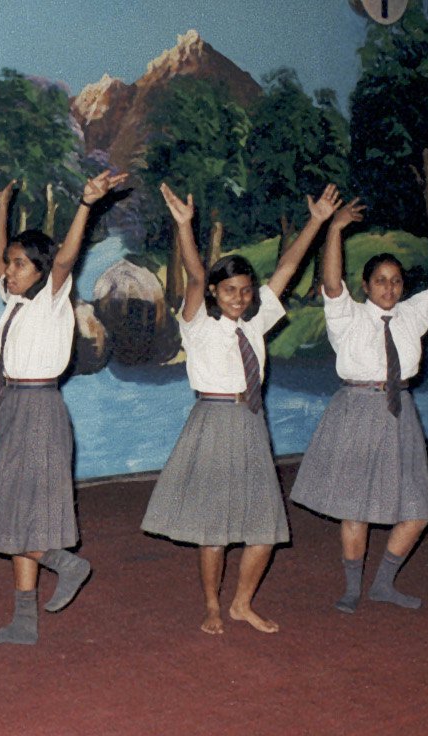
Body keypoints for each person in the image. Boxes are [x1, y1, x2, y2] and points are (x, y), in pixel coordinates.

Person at [141, 183, 342, 634]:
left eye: (246, 290)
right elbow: (194, 277)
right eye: (230, 290)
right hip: (212, 421)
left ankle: (241, 603)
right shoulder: (198, 325)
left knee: (265, 527)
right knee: (214, 527)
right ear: (214, 292)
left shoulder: (254, 325)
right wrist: (184, 226)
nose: (240, 298)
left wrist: (317, 220)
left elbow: (287, 269)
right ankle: (212, 605)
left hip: (251, 423)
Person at [289, 197, 428, 613]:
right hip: (356, 411)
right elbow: (331, 281)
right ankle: (351, 587)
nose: (389, 288)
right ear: (366, 286)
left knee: (416, 509)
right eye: (381, 280)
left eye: (396, 280)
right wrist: (335, 229)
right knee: (355, 507)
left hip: (400, 412)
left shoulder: (412, 315)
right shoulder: (347, 317)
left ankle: (383, 583)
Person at [0, 171, 125, 646]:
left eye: (19, 265)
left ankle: (65, 563)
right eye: (10, 265)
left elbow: (68, 257)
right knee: (20, 514)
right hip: (14, 405)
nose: (7, 271)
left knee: (10, 514)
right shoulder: (12, 300)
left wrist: (86, 204)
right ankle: (24, 622)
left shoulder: (52, 300)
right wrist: (1, 208)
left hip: (37, 409)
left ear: (40, 270)